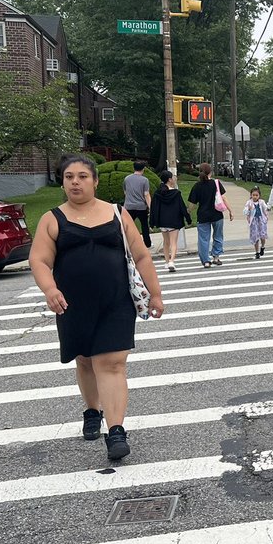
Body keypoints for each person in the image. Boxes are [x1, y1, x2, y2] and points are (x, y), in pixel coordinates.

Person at [29, 154, 164, 461]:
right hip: (72, 303)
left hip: (115, 300)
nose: (75, 182)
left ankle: (116, 431)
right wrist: (50, 289)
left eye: (82, 176)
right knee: (86, 360)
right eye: (68, 177)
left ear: (95, 181)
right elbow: (38, 260)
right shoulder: (53, 219)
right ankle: (93, 410)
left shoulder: (117, 213)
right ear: (62, 182)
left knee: (112, 362)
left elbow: (141, 256)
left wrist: (155, 294)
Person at [188, 162, 234, 267]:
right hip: (217, 214)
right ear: (211, 172)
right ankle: (216, 257)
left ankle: (206, 261)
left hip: (203, 215)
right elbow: (224, 198)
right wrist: (230, 210)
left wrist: (189, 212)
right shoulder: (216, 183)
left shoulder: (197, 186)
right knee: (218, 236)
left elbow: (192, 204)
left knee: (204, 239)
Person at [149, 169, 191, 272]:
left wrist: (152, 222)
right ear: (169, 179)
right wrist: (188, 219)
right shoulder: (176, 193)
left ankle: (167, 262)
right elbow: (182, 208)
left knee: (166, 242)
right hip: (174, 220)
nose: (174, 179)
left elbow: (153, 208)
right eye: (172, 177)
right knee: (173, 243)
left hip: (162, 221)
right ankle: (172, 261)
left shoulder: (158, 193)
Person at [123, 160, 153, 250]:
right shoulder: (144, 180)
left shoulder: (127, 179)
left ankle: (127, 243)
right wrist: (150, 207)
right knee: (144, 225)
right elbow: (146, 194)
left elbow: (125, 192)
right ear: (143, 169)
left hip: (128, 206)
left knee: (128, 226)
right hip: (141, 206)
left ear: (134, 168)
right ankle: (147, 243)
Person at [243, 186, 269, 259]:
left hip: (261, 220)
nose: (255, 197)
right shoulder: (249, 203)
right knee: (255, 236)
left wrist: (266, 216)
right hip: (253, 221)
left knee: (262, 236)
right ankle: (257, 252)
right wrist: (248, 209)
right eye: (253, 195)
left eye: (256, 195)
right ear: (251, 195)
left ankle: (263, 246)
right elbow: (244, 212)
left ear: (259, 196)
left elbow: (266, 208)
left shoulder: (261, 202)